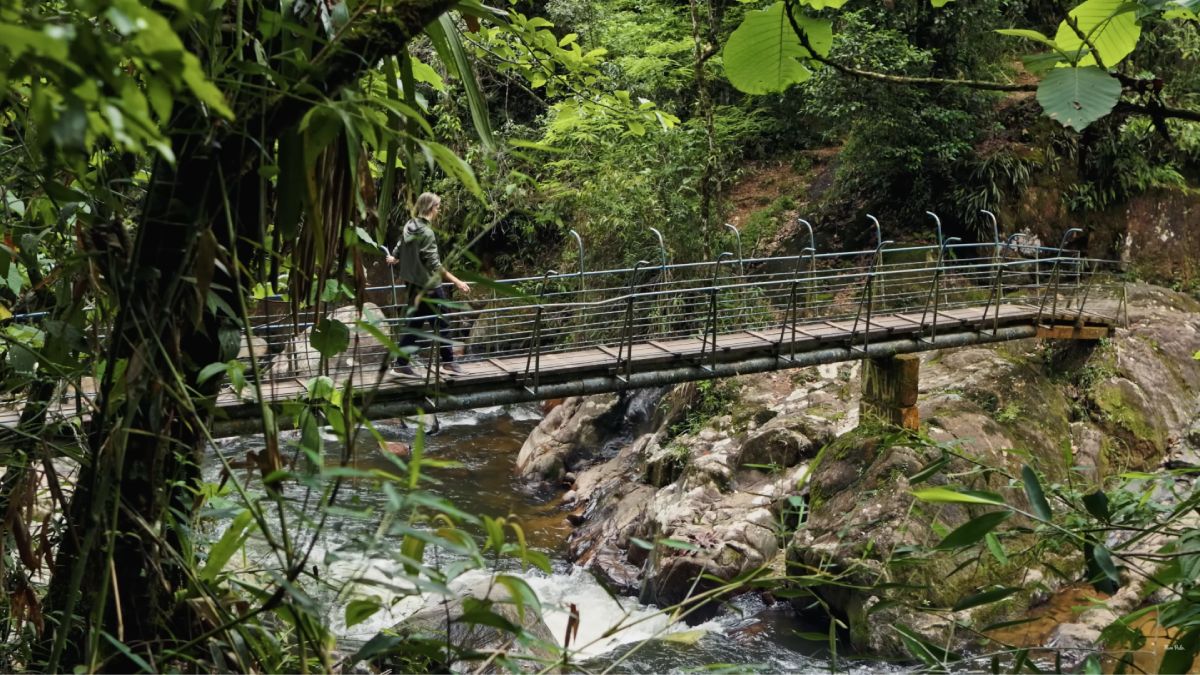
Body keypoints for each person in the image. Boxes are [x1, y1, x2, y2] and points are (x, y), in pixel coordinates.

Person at [386, 192, 471, 375]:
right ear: (431, 208)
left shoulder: (409, 225)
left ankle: (401, 363)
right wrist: (458, 282)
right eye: (438, 207)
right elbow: (435, 265)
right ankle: (448, 363)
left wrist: (394, 258)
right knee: (442, 323)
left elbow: (398, 250)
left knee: (415, 324)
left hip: (411, 286)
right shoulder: (427, 233)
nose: (439, 210)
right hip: (429, 288)